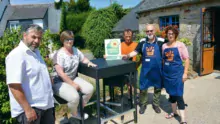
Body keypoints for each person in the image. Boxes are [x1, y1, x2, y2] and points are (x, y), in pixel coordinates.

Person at [5, 24, 55, 124]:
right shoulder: (16, 55)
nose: (36, 41)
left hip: (46, 106)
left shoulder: (36, 52)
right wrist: (27, 109)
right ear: (24, 35)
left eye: (39, 38)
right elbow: (14, 85)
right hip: (31, 110)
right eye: (33, 37)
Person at [52, 30, 97, 120]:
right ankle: (74, 114)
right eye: (67, 39)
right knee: (74, 97)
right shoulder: (59, 54)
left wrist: (89, 63)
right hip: (59, 81)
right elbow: (60, 73)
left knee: (90, 89)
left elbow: (83, 59)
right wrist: (73, 84)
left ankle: (79, 109)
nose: (69, 41)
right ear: (62, 40)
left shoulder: (76, 50)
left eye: (71, 39)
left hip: (73, 77)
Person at [123, 24, 165, 114]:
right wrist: (127, 56)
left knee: (157, 87)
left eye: (151, 31)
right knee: (143, 88)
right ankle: (143, 104)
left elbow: (170, 47)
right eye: (147, 31)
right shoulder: (142, 41)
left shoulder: (161, 41)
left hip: (157, 70)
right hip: (146, 70)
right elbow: (135, 51)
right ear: (146, 32)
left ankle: (156, 104)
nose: (149, 33)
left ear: (154, 31)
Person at [162, 26, 189, 124]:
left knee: (179, 96)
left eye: (172, 34)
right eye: (168, 34)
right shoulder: (164, 46)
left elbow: (186, 59)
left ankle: (183, 120)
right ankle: (174, 113)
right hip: (167, 75)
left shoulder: (180, 45)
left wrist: (185, 73)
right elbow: (163, 60)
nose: (170, 35)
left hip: (177, 75)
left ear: (175, 35)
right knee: (171, 95)